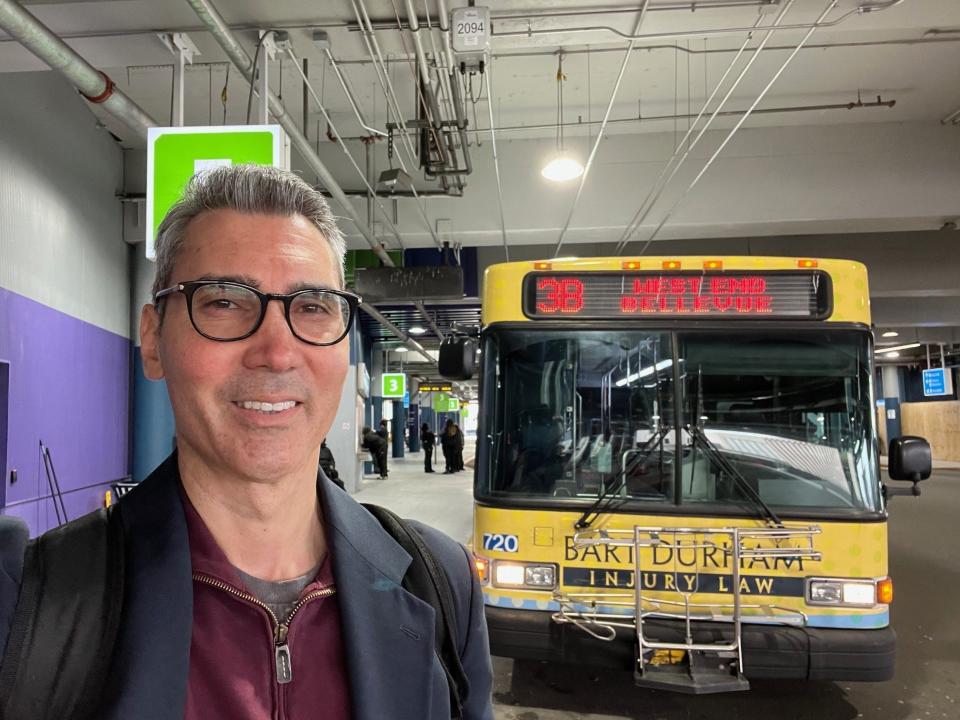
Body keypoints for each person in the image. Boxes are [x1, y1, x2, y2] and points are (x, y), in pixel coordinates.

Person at [0, 165, 492, 719]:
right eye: (225, 302)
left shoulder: (440, 582)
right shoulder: (26, 599)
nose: (277, 352)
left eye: (312, 306)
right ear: (153, 341)